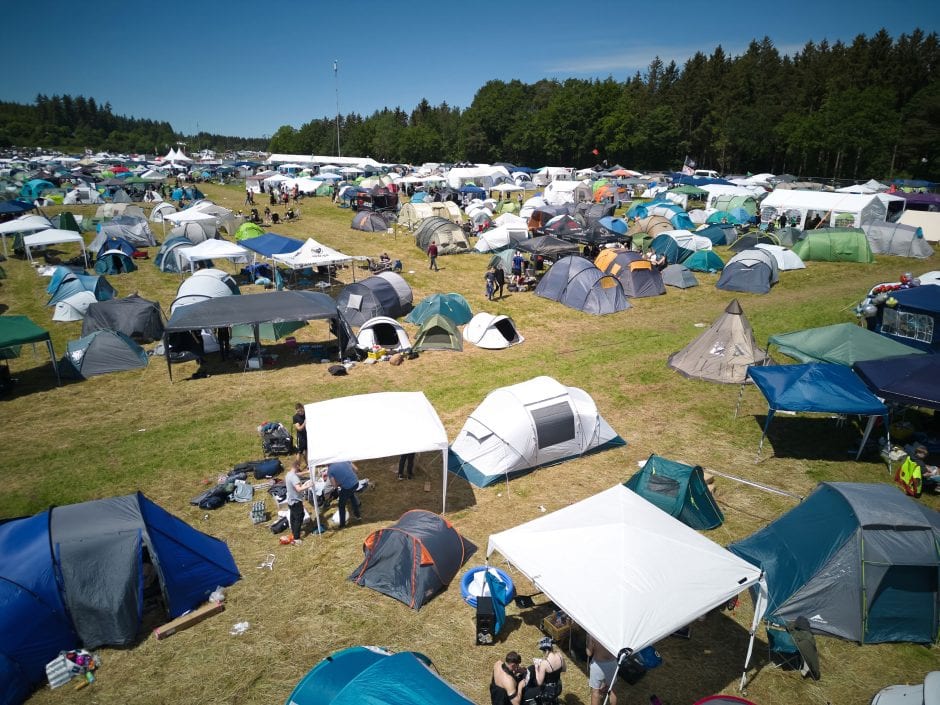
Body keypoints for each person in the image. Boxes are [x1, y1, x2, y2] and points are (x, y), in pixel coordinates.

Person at [522, 637, 565, 705]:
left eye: (543, 651)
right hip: (558, 687)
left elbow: (539, 682)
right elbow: (564, 669)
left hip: (549, 691)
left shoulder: (544, 663)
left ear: (545, 650)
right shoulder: (559, 655)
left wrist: (536, 667)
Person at [327, 460, 361, 528]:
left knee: (341, 505)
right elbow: (356, 469)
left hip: (347, 487)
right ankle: (358, 516)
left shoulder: (330, 470)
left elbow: (334, 485)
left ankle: (342, 525)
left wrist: (340, 483)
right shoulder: (344, 459)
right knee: (352, 496)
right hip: (356, 483)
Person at [586, 633, 618, 705]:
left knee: (595, 691)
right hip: (612, 663)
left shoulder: (594, 632)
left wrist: (588, 640)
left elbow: (589, 653)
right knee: (612, 689)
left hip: (598, 664)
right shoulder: (615, 632)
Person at [284, 460, 311, 545]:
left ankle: (293, 530)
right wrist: (308, 485)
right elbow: (299, 489)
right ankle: (296, 538)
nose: (300, 469)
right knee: (299, 517)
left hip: (290, 500)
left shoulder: (289, 474)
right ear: (297, 466)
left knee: (293, 515)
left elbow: (297, 475)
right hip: (296, 501)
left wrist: (307, 472)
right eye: (299, 467)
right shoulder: (294, 477)